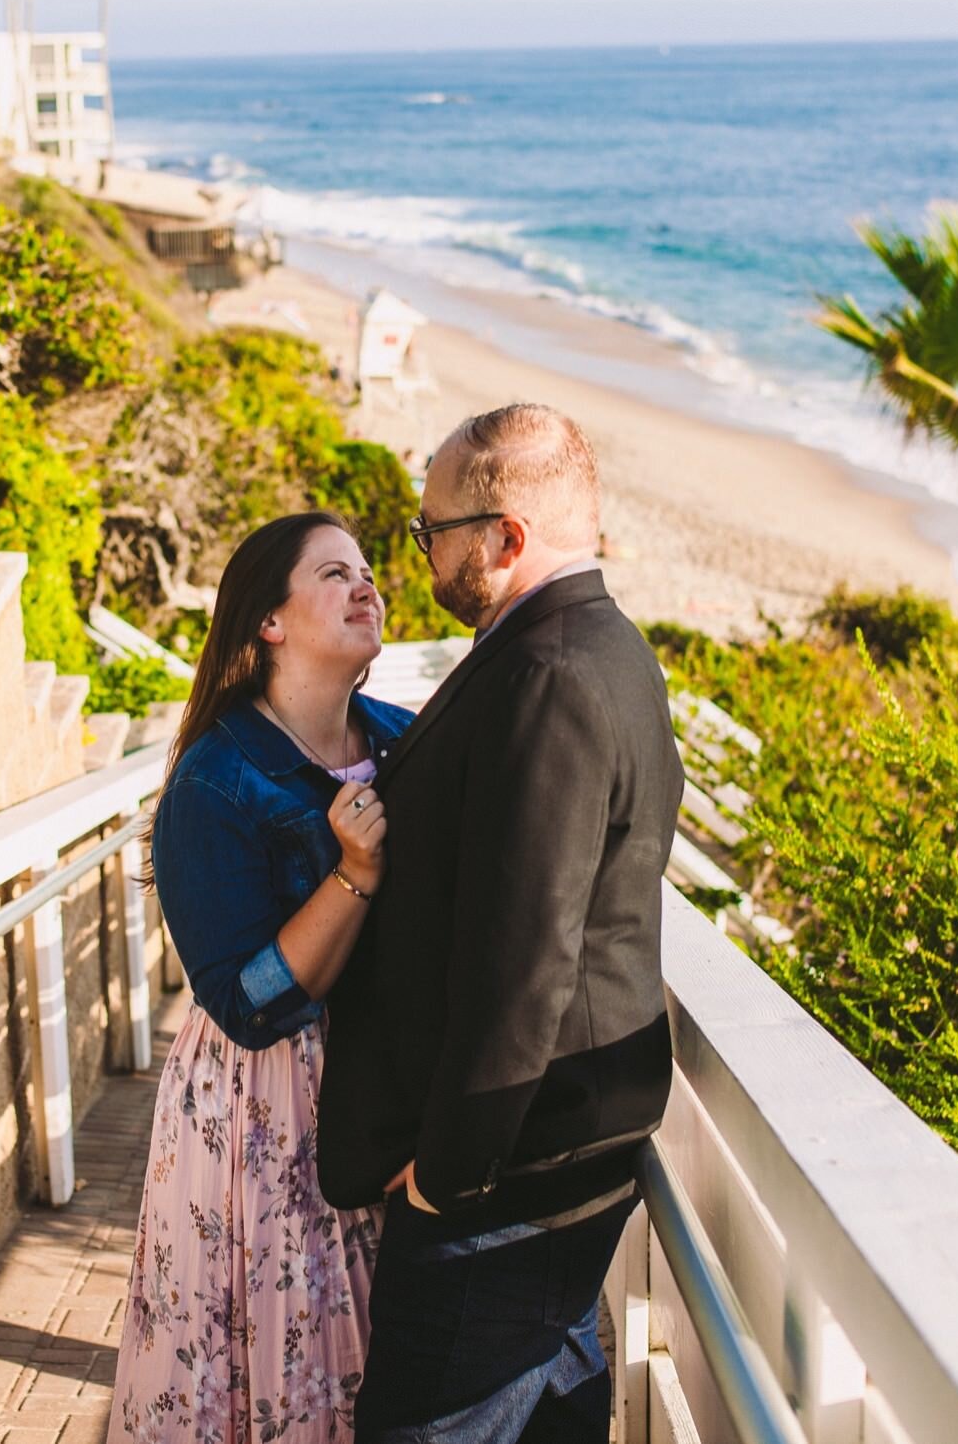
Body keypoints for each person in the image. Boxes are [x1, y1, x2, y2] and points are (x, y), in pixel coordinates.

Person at [319, 403, 682, 1443]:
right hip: (550, 1154)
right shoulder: (602, 649)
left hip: (504, 1178)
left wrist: (446, 1174)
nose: (421, 551)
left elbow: (525, 957)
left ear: (503, 537)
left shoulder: (550, 673)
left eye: (430, 529)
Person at [111, 512, 417, 1444]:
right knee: (280, 1366)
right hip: (267, 1112)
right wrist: (353, 873)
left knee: (383, 1363)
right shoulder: (215, 781)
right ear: (270, 623)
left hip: (393, 1097)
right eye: (334, 574)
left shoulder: (408, 740)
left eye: (366, 570)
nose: (366, 585)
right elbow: (246, 1007)